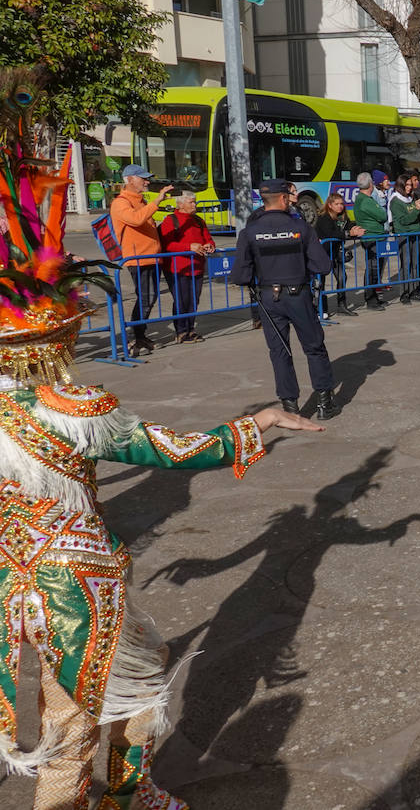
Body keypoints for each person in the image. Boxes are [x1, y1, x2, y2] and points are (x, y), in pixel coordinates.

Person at [0, 126, 325, 810]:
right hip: (76, 588)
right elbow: (176, 451)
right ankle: (121, 794)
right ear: (58, 340)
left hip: (10, 589)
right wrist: (256, 423)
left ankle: (130, 787)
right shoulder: (73, 408)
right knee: (74, 728)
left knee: (119, 682)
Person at [229, 178, 341, 419]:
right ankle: (324, 404)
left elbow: (239, 275)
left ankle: (290, 408)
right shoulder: (301, 228)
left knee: (279, 351)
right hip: (298, 294)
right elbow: (322, 265)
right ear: (282, 198)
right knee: (314, 347)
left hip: (269, 298)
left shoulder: (249, 232)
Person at [110, 163, 175, 356]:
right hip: (138, 259)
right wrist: (157, 202)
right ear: (129, 180)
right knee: (146, 298)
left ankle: (140, 335)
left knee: (150, 297)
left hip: (152, 257)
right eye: (143, 178)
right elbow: (136, 219)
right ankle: (136, 336)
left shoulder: (140, 201)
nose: (147, 182)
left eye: (147, 178)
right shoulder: (121, 202)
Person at [157, 191, 216, 342]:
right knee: (181, 300)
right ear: (180, 204)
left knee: (193, 300)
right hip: (178, 268)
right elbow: (167, 244)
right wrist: (189, 246)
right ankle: (181, 331)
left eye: (194, 202)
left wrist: (210, 245)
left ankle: (190, 329)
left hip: (197, 266)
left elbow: (208, 238)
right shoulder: (171, 220)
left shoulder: (198, 220)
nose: (194, 205)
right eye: (191, 202)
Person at [314, 192, 365, 316]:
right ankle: (322, 309)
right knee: (320, 282)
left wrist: (355, 229)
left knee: (342, 277)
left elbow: (350, 225)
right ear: (330, 205)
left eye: (342, 203)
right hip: (322, 253)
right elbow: (331, 233)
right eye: (337, 204)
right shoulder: (324, 218)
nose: (340, 206)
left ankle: (342, 306)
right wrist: (349, 234)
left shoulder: (342, 217)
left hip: (335, 253)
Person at [389, 172, 420, 304]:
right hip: (404, 236)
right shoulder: (395, 201)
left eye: (410, 185)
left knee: (416, 264)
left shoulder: (410, 198)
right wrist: (416, 210)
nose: (409, 187)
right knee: (406, 265)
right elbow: (404, 221)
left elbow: (414, 217)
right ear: (400, 185)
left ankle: (414, 291)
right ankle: (404, 294)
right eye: (406, 185)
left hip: (415, 234)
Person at [352, 171, 389, 311]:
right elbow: (382, 215)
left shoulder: (364, 199)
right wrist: (379, 210)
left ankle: (374, 297)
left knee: (375, 269)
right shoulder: (365, 200)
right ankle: (371, 300)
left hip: (375, 237)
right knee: (372, 269)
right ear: (370, 184)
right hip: (372, 238)